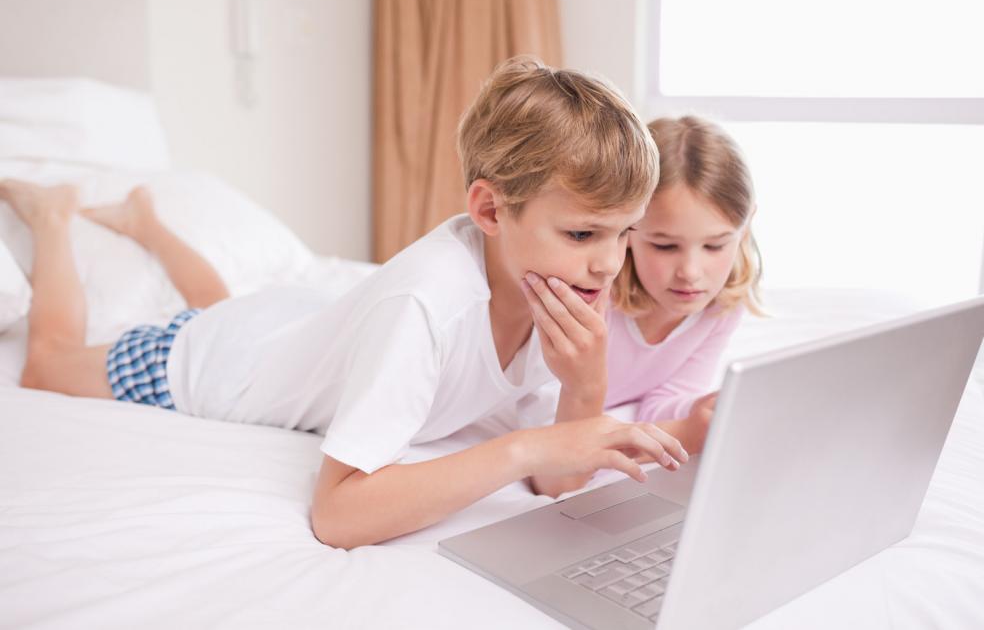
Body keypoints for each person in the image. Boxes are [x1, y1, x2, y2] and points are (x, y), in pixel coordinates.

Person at [1, 56, 689, 549]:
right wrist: (521, 447)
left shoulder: (558, 286)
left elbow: (557, 481)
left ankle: (148, 223)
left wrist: (587, 384)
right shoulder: (426, 302)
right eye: (582, 232)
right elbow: (338, 513)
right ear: (488, 208)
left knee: (228, 307)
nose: (608, 261)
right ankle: (53, 216)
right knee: (59, 361)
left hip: (287, 323)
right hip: (212, 361)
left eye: (626, 232)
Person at [604, 116, 764, 454]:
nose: (690, 273)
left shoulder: (721, 306)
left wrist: (700, 410)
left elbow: (662, 400)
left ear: (745, 227)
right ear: (626, 227)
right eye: (665, 246)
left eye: (715, 246)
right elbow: (546, 419)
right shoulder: (596, 296)